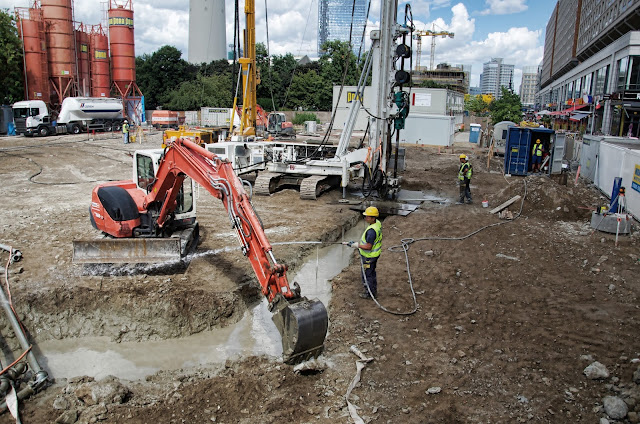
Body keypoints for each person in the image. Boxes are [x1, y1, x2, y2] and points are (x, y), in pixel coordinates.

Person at [343, 206, 382, 299]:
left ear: (373, 218)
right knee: (371, 272)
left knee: (367, 274)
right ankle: (373, 290)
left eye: (367, 216)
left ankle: (369, 294)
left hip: (369, 257)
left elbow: (368, 247)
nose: (365, 218)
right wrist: (353, 243)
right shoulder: (377, 223)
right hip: (374, 255)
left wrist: (357, 245)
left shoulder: (372, 231)